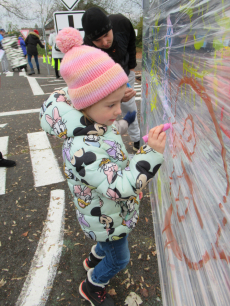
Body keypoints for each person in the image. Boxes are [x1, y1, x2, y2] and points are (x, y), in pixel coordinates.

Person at [39, 28, 166, 306]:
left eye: (118, 102)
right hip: (107, 216)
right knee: (120, 258)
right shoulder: (82, 148)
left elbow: (111, 138)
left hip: (105, 216)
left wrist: (130, 126)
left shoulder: (96, 123)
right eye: (111, 105)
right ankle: (93, 282)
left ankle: (94, 257)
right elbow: (119, 187)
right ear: (85, 104)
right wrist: (151, 155)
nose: (117, 111)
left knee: (107, 247)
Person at [82, 7, 141, 152]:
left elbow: (132, 46)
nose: (104, 42)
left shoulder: (122, 23)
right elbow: (92, 75)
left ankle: (137, 139)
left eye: (106, 35)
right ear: (91, 40)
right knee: (105, 111)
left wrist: (131, 69)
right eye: (98, 40)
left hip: (125, 72)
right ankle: (105, 145)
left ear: (110, 27)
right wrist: (115, 98)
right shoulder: (87, 46)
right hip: (105, 79)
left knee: (130, 107)